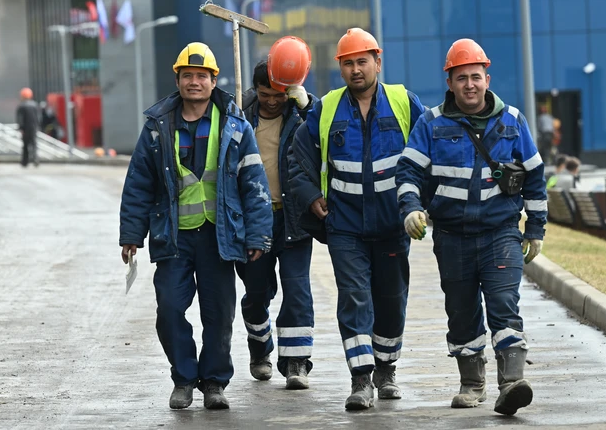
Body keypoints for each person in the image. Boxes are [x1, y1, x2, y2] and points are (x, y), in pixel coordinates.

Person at [396, 38, 548, 417]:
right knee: (461, 312)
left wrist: (536, 229)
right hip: (452, 237)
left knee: (503, 305)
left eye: (475, 77)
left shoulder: (512, 121)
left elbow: (535, 176)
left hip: (500, 234)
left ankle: (512, 383)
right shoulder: (431, 124)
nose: (469, 85)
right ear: (449, 82)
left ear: (487, 78)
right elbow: (408, 171)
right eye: (461, 78)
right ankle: (472, 383)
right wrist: (411, 208)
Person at [119, 42, 274, 411]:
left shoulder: (235, 126)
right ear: (178, 80)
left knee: (219, 313)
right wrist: (130, 235)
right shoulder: (157, 128)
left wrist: (257, 233)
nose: (194, 82)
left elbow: (254, 183)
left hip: (219, 237)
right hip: (173, 236)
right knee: (170, 308)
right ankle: (185, 378)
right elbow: (138, 182)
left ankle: (215, 382)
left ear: (213, 80)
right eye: (187, 75)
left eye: (201, 76)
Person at [288, 28, 425, 410]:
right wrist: (311, 196)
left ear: (377, 62)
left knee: (391, 300)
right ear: (340, 68)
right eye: (348, 63)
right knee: (354, 298)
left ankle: (387, 368)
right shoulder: (327, 108)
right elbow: (298, 158)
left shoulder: (403, 102)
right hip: (345, 226)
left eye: (362, 61)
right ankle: (361, 379)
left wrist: (418, 204)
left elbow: (427, 152)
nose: (355, 69)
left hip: (392, 225)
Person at [238, 60, 316, 390]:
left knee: (297, 290)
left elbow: (324, 136)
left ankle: (296, 362)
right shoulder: (238, 118)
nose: (272, 101)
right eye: (266, 94)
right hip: (253, 221)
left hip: (293, 218)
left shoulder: (301, 115)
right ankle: (260, 349)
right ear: (256, 90)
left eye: (279, 95)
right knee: (258, 293)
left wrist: (308, 106)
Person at [16, 87, 40, 168]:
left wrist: (21, 128)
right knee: (34, 144)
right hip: (33, 128)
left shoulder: (21, 106)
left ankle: (25, 162)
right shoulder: (34, 105)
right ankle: (35, 159)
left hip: (25, 129)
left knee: (25, 145)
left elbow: (20, 119)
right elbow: (38, 117)